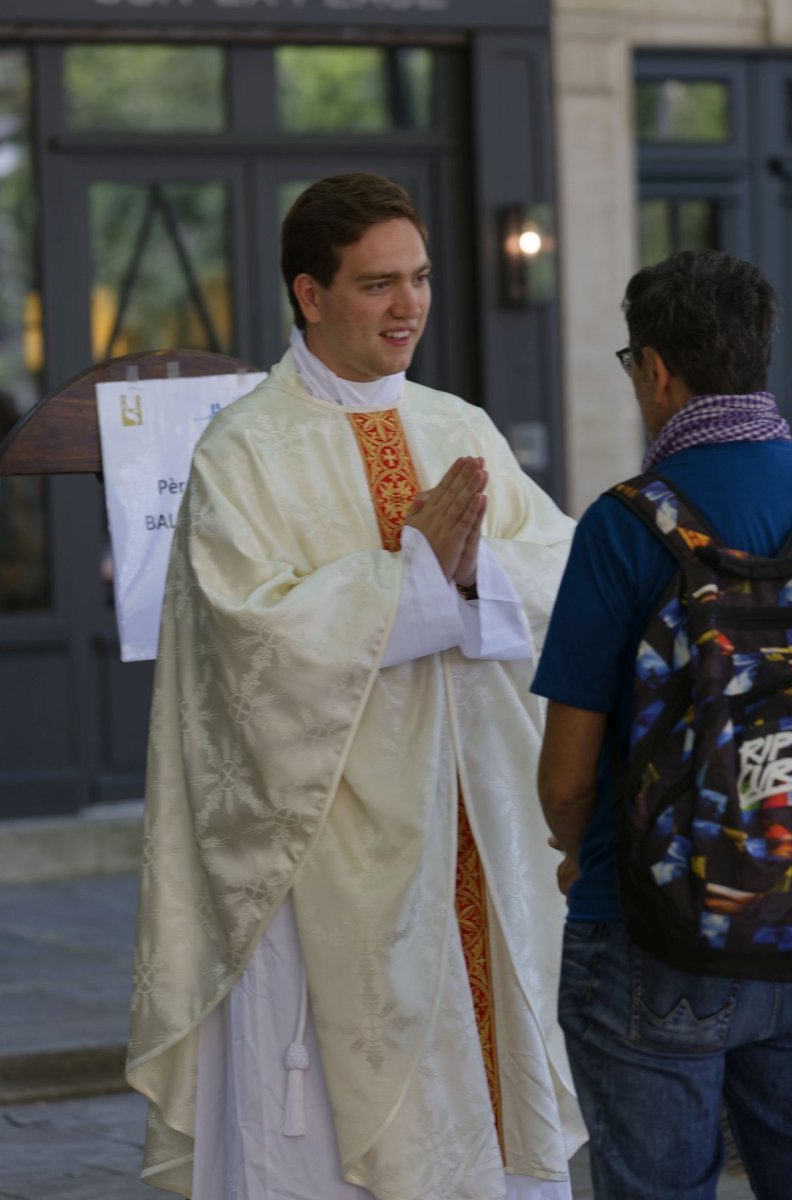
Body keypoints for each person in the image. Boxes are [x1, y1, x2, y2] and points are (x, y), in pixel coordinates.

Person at [126, 172, 585, 1200]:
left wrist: (470, 571)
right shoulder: (244, 448)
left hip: (474, 823)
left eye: (417, 279)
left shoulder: (457, 425)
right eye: (378, 284)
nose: (409, 305)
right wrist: (412, 572)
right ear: (309, 293)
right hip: (321, 845)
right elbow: (250, 637)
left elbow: (558, 563)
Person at [533, 249, 792, 1200]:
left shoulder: (628, 524)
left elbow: (567, 774)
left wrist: (579, 854)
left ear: (656, 372)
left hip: (654, 924)